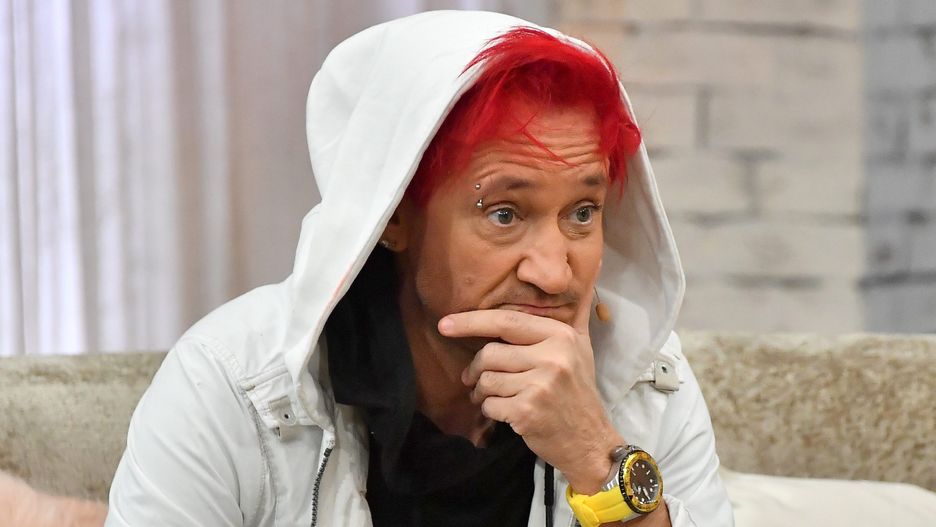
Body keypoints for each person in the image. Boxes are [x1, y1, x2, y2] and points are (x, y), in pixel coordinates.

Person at [106, 10, 732, 527]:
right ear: (392, 217)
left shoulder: (650, 380)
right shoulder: (233, 383)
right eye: (505, 214)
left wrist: (597, 458)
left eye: (582, 213)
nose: (553, 273)